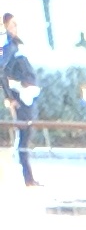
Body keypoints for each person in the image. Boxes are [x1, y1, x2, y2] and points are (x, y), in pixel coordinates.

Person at [0, 16, 38, 193]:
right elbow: (1, 71)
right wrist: (10, 97)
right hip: (20, 97)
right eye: (12, 25)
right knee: (23, 135)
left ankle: (28, 177)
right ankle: (26, 177)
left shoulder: (16, 45)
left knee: (25, 135)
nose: (16, 27)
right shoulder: (8, 47)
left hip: (26, 95)